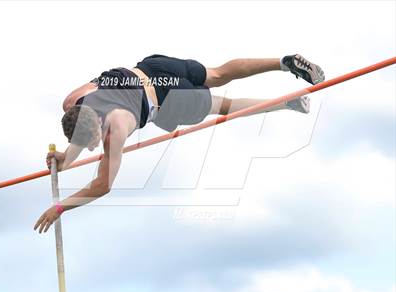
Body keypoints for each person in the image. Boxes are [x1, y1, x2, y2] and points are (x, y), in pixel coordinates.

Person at [34, 54, 325, 233]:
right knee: (218, 74)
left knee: (227, 105)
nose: (92, 149)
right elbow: (84, 122)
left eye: (92, 142)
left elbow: (102, 185)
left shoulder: (115, 127)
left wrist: (60, 208)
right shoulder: (73, 102)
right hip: (153, 69)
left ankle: (289, 102)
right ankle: (283, 63)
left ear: (99, 126)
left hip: (168, 101)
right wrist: (66, 157)